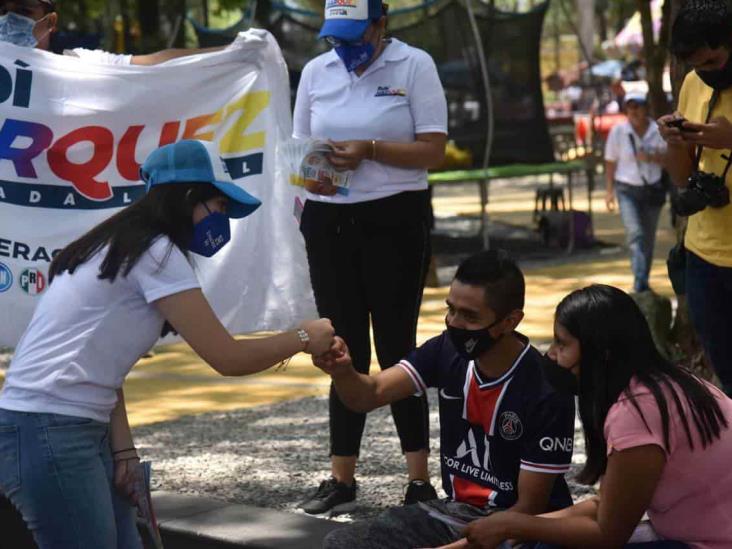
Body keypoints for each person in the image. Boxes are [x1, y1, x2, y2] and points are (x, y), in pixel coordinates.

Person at [0, 139, 336, 548]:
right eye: (220, 207)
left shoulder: (120, 245)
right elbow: (227, 357)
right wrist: (304, 336)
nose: (223, 220)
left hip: (66, 425)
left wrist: (123, 452)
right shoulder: (155, 253)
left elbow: (103, 366)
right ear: (190, 196)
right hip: (50, 429)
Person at [293, 0, 448, 513]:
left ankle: (420, 481)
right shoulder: (316, 71)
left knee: (396, 343)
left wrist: (372, 149)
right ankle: (342, 478)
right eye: (336, 38)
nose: (346, 48)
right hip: (328, 218)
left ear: (381, 25)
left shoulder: (414, 64)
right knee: (342, 347)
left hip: (394, 219)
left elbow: (432, 150)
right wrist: (312, 175)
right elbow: (299, 147)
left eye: (356, 36)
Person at [314, 251, 576, 549]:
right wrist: (342, 370)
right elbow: (368, 395)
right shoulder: (445, 349)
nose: (454, 322)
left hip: (520, 527)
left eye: (469, 316)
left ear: (510, 321)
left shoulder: (546, 389)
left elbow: (529, 509)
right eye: (451, 310)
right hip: (454, 513)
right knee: (342, 543)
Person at [461, 285, 732, 549]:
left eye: (562, 344)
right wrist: (512, 525)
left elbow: (608, 534)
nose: (551, 355)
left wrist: (514, 526)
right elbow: (606, 505)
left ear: (601, 354)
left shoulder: (636, 413)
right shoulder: (670, 382)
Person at [657, 0, 732, 395]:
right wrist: (673, 141)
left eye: (714, 61)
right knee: (725, 375)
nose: (707, 73)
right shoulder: (693, 84)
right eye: (698, 66)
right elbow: (684, 175)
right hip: (704, 255)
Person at [0, 0, 220, 64]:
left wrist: (235, 50)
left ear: (50, 22)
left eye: (23, 10)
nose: (7, 19)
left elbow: (155, 61)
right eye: (1, 10)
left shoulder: (78, 64)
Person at [604, 91, 667, 293]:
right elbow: (610, 161)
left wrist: (651, 158)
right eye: (630, 106)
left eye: (638, 106)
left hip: (652, 190)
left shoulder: (658, 130)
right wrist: (609, 191)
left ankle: (643, 280)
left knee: (647, 239)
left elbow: (671, 160)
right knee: (635, 235)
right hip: (626, 189)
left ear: (646, 107)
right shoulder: (618, 132)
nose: (635, 111)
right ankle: (640, 285)